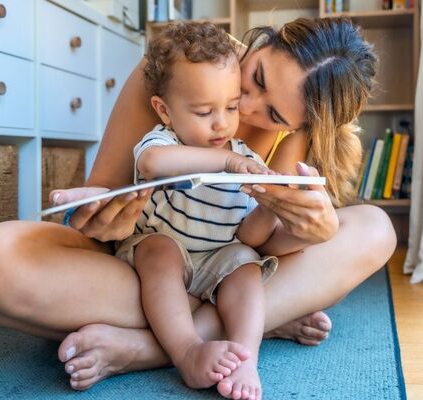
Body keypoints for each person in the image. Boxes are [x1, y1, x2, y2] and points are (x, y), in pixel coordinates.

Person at [0, 17, 396, 397]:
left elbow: (257, 245)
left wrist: (308, 232)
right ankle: (253, 324)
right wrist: (107, 222)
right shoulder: (181, 66)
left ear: (301, 124)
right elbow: (102, 194)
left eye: (274, 115)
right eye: (257, 78)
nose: (243, 108)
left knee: (376, 229)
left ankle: (150, 350)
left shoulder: (296, 133)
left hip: (225, 266)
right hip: (142, 262)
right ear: (263, 42)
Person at [123, 21, 279, 398]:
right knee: (157, 248)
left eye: (230, 106)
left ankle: (246, 357)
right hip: (163, 248)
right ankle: (186, 351)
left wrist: (272, 205)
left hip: (217, 258)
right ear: (164, 110)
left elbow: (250, 236)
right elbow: (152, 164)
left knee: (246, 261)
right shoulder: (164, 140)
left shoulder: (244, 157)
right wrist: (221, 163)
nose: (222, 123)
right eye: (203, 111)